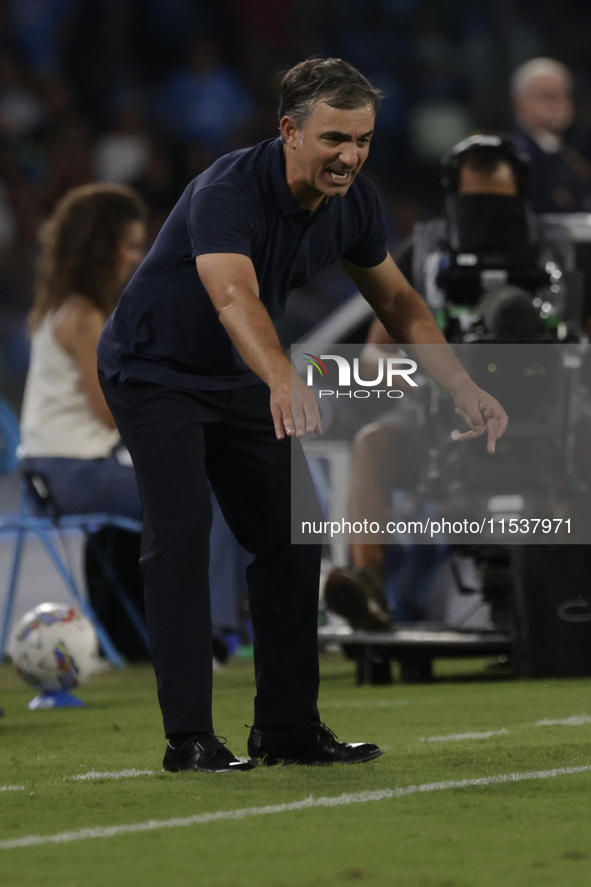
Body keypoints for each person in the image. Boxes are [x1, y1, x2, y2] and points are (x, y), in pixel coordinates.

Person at [97, 58, 507, 773]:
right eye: (333, 139)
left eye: (363, 139)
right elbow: (232, 298)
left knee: (293, 535)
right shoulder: (228, 190)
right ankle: (188, 737)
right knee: (182, 532)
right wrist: (283, 377)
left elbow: (400, 304)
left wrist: (462, 387)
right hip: (153, 370)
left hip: (240, 374)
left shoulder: (354, 202)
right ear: (289, 131)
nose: (349, 155)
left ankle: (286, 727)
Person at [325, 133, 577, 627]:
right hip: (443, 416)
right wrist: (415, 380)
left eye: (497, 201)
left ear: (520, 194)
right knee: (374, 444)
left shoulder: (560, 251)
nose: (486, 214)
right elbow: (378, 349)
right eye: (474, 201)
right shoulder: (427, 250)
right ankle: (368, 584)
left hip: (555, 413)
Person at [20, 183, 147, 519]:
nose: (137, 257)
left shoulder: (58, 310)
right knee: (213, 485)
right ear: (102, 249)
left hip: (52, 471)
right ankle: (225, 575)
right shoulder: (83, 319)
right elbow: (110, 414)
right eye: (130, 246)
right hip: (74, 474)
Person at [511, 57, 591, 214]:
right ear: (519, 102)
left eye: (564, 95)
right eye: (546, 96)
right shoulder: (516, 156)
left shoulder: (571, 154)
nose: (557, 104)